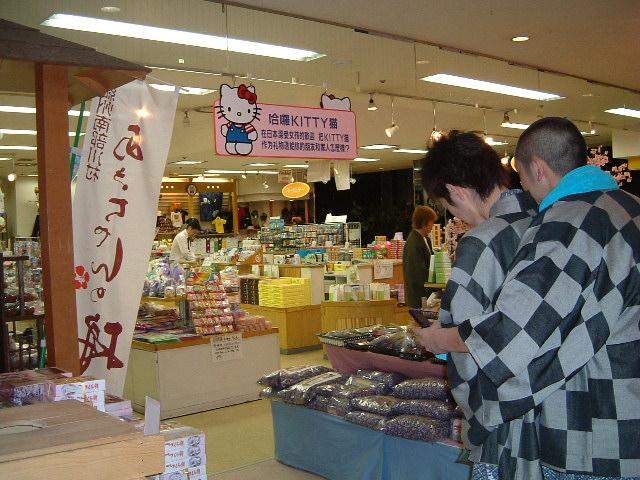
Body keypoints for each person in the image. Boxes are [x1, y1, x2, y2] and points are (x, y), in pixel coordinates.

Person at [419, 117, 640, 480]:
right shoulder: (629, 207)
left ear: (538, 169)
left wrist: (439, 340)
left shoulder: (569, 221)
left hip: (591, 424)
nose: (523, 190)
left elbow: (514, 331)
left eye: (521, 177)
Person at [418, 130, 537, 479]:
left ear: (455, 191)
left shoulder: (482, 241)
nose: (456, 216)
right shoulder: (545, 220)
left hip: (502, 409)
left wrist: (436, 338)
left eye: (448, 206)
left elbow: (466, 334)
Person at [403, 205, 438, 308]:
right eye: (431, 222)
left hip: (427, 294)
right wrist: (436, 283)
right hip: (418, 297)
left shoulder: (425, 239)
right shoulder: (413, 243)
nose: (432, 226)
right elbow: (418, 273)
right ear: (424, 223)